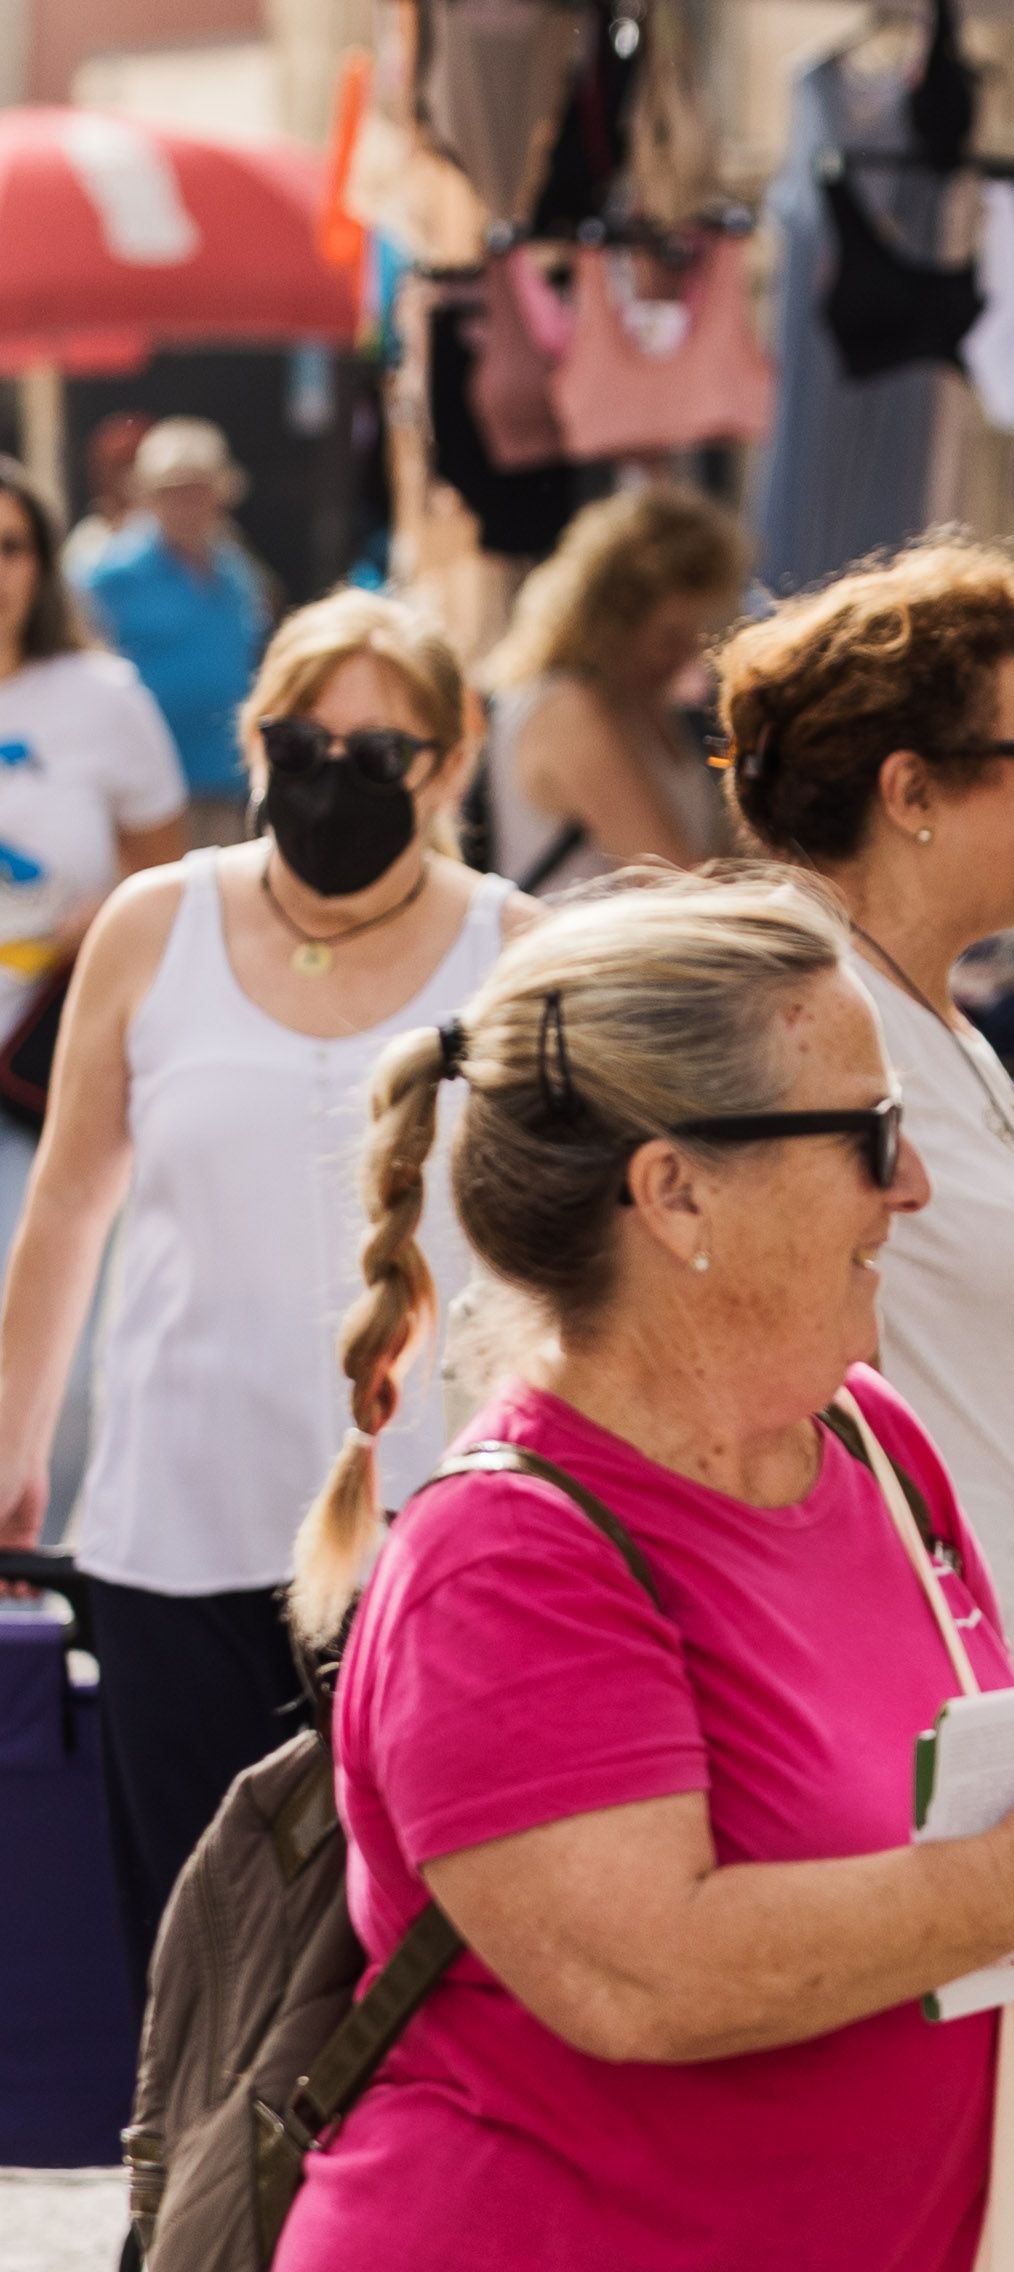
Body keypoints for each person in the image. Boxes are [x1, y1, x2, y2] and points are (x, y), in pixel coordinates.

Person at [270, 874, 1014, 2268]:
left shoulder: (868, 1436)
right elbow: (642, 1975)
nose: (911, 1185)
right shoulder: (505, 1557)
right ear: (674, 1192)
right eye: (872, 1134)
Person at [0, 591, 517, 1991]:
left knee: (414, 1976)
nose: (333, 781)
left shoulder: (516, 949)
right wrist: (11, 1451)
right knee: (192, 1969)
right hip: (175, 1528)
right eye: (304, 744)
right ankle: (194, 2217)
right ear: (254, 742)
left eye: (376, 754)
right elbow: (65, 1210)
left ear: (450, 763)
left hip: (438, 1538)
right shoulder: (153, 924)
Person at [720, 539, 1014, 1682]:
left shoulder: (926, 1005)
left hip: (1004, 1664)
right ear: (911, 790)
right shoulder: (799, 1019)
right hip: (904, 1679)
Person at [0, 455, 187, 1231]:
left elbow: (165, 883)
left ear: (42, 564)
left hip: (48, 1068)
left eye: (10, 546)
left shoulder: (102, 697)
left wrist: (101, 921)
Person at [483, 486, 749, 889]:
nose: (683, 658)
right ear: (614, 621)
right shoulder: (568, 711)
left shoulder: (652, 709)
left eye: (695, 636)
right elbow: (676, 883)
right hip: (579, 948)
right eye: (669, 638)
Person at [73, 418, 270, 845]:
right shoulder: (106, 576)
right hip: (144, 795)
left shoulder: (237, 571)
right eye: (174, 492)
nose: (188, 504)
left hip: (226, 783)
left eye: (199, 490)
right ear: (148, 498)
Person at [56, 412, 152, 589]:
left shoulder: (183, 539)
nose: (128, 477)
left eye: (134, 463)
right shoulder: (87, 539)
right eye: (119, 465)